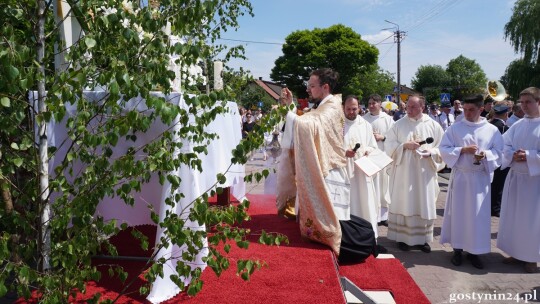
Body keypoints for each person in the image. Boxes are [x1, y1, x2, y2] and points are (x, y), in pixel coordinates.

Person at [278, 68, 376, 263]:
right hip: (327, 164)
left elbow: (307, 125)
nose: (308, 90)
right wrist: (290, 107)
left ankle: (346, 246)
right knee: (329, 213)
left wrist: (289, 114)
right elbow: (310, 122)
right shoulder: (324, 105)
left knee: (332, 215)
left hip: (329, 168)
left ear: (325, 87)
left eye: (312, 86)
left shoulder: (331, 106)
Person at [439, 94, 503, 269]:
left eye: (471, 110)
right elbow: (443, 149)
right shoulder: (455, 128)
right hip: (461, 177)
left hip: (480, 179)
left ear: (481, 109)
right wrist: (462, 150)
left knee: (477, 216)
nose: (467, 113)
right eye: (465, 109)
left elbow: (499, 152)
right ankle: (458, 250)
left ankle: (475, 252)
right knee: (459, 214)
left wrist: (485, 155)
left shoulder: (491, 130)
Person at [385, 94, 445, 253]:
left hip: (425, 173)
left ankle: (423, 239)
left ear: (422, 108)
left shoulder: (433, 125)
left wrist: (431, 153)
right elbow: (388, 145)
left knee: (423, 202)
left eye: (412, 107)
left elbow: (443, 148)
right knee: (405, 201)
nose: (408, 110)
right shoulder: (398, 125)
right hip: (404, 172)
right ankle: (403, 238)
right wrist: (404, 146)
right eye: (407, 106)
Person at [497, 87, 540, 274]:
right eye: (521, 103)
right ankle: (516, 252)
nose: (524, 106)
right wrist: (512, 154)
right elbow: (503, 144)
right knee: (514, 218)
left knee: (532, 221)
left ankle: (532, 258)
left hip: (535, 182)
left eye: (528, 102)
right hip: (515, 179)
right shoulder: (518, 125)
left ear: (539, 102)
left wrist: (530, 156)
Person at [342, 95, 379, 236]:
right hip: (344, 171)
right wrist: (344, 152)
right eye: (348, 109)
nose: (351, 112)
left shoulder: (365, 125)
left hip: (362, 173)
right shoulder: (338, 125)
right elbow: (331, 148)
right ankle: (347, 236)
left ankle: (367, 236)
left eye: (354, 108)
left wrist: (366, 151)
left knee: (364, 203)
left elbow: (373, 147)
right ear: (343, 108)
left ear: (359, 108)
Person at [363, 94, 395, 226]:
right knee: (372, 186)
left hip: (383, 156)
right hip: (369, 158)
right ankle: (372, 214)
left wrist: (383, 137)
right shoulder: (363, 119)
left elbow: (394, 138)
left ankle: (384, 216)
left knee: (383, 186)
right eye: (369, 103)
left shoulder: (388, 119)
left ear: (379, 104)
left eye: (373, 103)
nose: (371, 106)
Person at [489, 102, 511, 217]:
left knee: (492, 184)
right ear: (506, 114)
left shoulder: (489, 124)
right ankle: (496, 208)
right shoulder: (503, 127)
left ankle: (490, 206)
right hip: (501, 159)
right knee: (499, 185)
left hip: (489, 159)